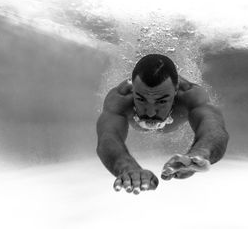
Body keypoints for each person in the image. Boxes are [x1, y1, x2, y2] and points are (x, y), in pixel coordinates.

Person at [96, 54, 229, 195]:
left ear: (176, 89)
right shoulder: (120, 97)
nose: (151, 113)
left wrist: (201, 154)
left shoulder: (190, 95)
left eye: (161, 101)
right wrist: (127, 168)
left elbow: (214, 129)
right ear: (132, 89)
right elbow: (108, 137)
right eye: (141, 99)